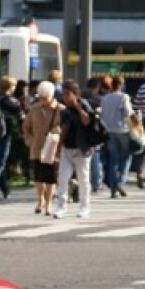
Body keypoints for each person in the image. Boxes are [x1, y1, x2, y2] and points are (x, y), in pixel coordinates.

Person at [51, 80, 95, 219]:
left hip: (82, 148)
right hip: (68, 148)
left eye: (68, 94)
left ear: (76, 94)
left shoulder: (84, 105)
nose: (65, 97)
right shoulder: (65, 110)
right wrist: (59, 147)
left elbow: (87, 121)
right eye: (63, 94)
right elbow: (63, 128)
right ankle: (61, 207)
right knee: (63, 178)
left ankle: (84, 208)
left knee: (83, 179)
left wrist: (77, 106)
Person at [22, 81, 61, 216]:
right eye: (41, 97)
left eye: (46, 97)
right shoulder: (34, 108)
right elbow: (26, 127)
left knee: (51, 177)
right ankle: (40, 199)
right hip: (37, 147)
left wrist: (59, 132)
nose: (43, 100)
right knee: (38, 177)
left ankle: (49, 203)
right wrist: (29, 140)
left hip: (53, 149)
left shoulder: (60, 109)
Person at [100, 74, 138, 198]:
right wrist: (136, 121)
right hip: (122, 131)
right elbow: (128, 112)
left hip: (109, 132)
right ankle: (120, 182)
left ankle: (113, 188)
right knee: (126, 158)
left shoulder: (105, 98)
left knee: (113, 160)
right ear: (121, 85)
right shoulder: (123, 97)